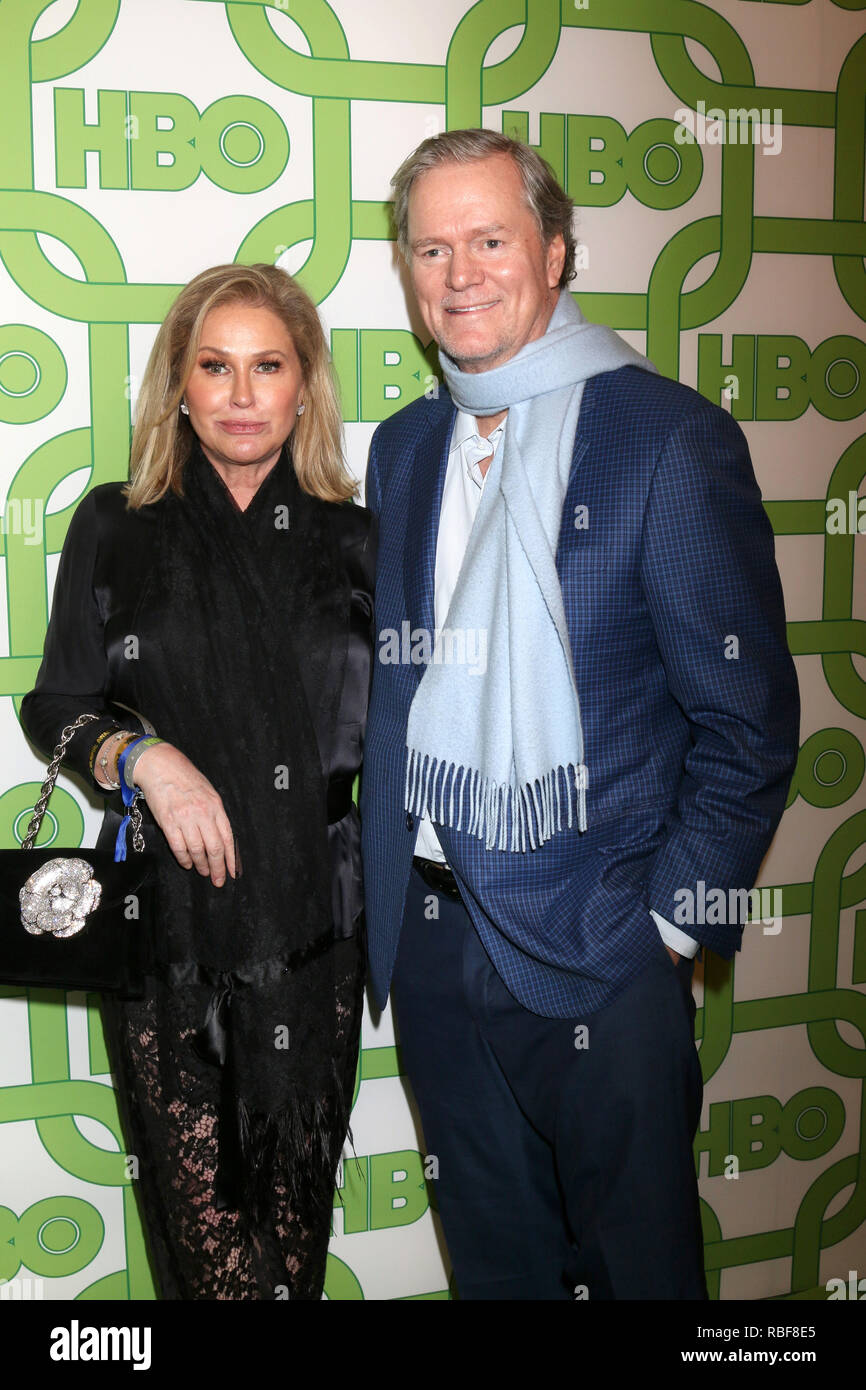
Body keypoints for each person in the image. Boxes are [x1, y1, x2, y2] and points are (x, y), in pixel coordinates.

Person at [360, 129, 800, 1300]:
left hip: (602, 945)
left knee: (637, 1275)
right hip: (434, 936)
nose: (459, 273)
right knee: (493, 1271)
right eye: (431, 247)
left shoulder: (664, 437)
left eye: (490, 239)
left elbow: (747, 720)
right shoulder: (404, 448)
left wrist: (658, 935)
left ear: (554, 252)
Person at [20, 263, 376, 1300]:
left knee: (290, 1257)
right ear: (177, 385)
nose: (239, 392)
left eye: (267, 365)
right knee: (209, 1265)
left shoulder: (355, 540)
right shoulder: (115, 524)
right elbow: (55, 703)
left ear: (303, 385)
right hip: (171, 930)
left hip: (320, 927)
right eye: (213, 366)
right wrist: (142, 759)